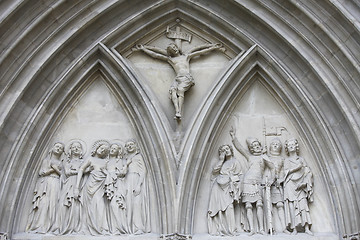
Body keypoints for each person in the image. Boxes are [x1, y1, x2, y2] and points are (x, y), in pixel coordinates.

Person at [133, 42, 224, 119]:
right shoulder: (171, 59)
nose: (174, 49)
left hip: (186, 77)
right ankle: (177, 110)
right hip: (178, 78)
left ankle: (179, 110)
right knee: (173, 91)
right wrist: (144, 49)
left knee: (180, 90)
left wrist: (212, 47)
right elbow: (156, 55)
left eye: (175, 47)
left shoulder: (186, 56)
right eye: (172, 49)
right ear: (170, 52)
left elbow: (199, 50)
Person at [229, 127, 273, 235]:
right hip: (247, 181)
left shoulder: (264, 157)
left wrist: (271, 180)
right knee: (248, 205)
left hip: (257, 183)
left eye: (257, 145)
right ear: (251, 149)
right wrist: (234, 138)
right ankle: (252, 229)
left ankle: (261, 229)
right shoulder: (250, 157)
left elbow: (272, 168)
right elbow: (240, 149)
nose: (256, 147)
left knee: (259, 204)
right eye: (253, 146)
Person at [26, 142, 64, 233]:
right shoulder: (46, 160)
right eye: (57, 146)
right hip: (45, 184)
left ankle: (50, 225)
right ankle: (39, 225)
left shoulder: (61, 163)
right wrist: (53, 169)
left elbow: (63, 175)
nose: (58, 148)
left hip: (55, 183)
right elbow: (42, 173)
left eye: (61, 148)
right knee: (44, 203)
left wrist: (55, 169)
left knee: (53, 203)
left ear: (63, 152)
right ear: (53, 148)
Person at [74, 140, 110, 235]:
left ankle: (101, 228)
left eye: (105, 150)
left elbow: (109, 174)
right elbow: (81, 169)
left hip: (100, 186)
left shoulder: (105, 162)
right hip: (90, 186)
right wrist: (76, 187)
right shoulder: (90, 159)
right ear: (97, 148)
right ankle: (86, 228)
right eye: (101, 148)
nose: (102, 150)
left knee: (100, 205)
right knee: (88, 207)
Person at [208, 144, 243, 236]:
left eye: (227, 148)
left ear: (231, 149)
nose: (226, 151)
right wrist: (220, 159)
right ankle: (222, 229)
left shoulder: (235, 162)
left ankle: (232, 230)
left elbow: (240, 176)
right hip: (218, 187)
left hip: (229, 186)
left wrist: (234, 183)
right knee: (219, 208)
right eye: (223, 150)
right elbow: (215, 171)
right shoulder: (221, 163)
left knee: (229, 207)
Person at [282, 138, 313, 235]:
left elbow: (308, 171)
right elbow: (285, 172)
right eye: (289, 145)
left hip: (301, 184)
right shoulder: (287, 160)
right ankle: (294, 228)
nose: (291, 146)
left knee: (303, 205)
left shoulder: (301, 159)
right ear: (287, 148)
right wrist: (297, 168)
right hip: (290, 184)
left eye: (293, 144)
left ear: (296, 146)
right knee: (292, 206)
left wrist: (305, 183)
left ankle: (306, 228)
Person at [124, 139, 150, 234]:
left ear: (136, 146)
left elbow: (143, 171)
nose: (129, 146)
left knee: (137, 204)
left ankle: (139, 227)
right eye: (127, 145)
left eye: (131, 144)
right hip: (128, 182)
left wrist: (139, 185)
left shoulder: (138, 157)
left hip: (136, 180)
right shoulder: (127, 159)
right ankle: (129, 228)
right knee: (129, 204)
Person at [58, 140, 84, 234]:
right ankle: (64, 227)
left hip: (80, 184)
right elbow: (68, 172)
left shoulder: (83, 161)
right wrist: (81, 171)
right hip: (69, 183)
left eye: (78, 147)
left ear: (81, 150)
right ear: (70, 150)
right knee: (65, 204)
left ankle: (74, 227)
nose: (76, 149)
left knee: (76, 205)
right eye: (73, 147)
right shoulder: (67, 162)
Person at [104, 143, 128, 234]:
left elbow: (123, 172)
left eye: (115, 148)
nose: (112, 149)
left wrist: (113, 174)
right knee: (109, 206)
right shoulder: (107, 162)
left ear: (119, 151)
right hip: (108, 185)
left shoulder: (120, 161)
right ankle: (113, 229)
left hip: (118, 184)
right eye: (111, 148)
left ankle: (120, 228)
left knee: (116, 204)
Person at [264, 138, 286, 233]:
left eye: (277, 144)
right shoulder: (267, 157)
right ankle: (270, 227)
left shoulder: (282, 159)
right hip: (268, 184)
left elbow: (284, 171)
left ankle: (284, 228)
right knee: (269, 206)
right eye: (273, 144)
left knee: (280, 204)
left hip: (276, 184)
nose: (275, 145)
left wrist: (281, 179)